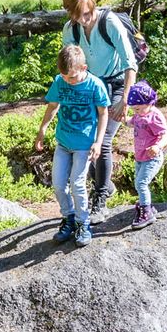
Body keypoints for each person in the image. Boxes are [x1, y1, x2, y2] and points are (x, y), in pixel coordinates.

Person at [59, 0, 139, 222]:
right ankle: (107, 184)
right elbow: (69, 66)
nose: (82, 20)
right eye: (76, 16)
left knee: (102, 140)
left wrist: (125, 100)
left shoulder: (110, 23)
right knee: (86, 141)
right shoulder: (70, 30)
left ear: (91, 5)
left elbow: (130, 63)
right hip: (90, 88)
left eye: (84, 14)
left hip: (115, 87)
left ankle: (100, 199)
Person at [31, 44, 112, 245]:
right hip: (63, 143)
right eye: (65, 77)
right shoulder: (60, 82)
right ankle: (68, 218)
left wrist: (98, 142)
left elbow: (103, 114)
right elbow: (52, 106)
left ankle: (83, 224)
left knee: (77, 184)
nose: (68, 81)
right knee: (58, 185)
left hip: (84, 145)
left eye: (72, 77)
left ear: (84, 68)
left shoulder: (95, 86)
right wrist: (42, 129)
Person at [124, 81, 167, 230]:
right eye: (134, 109)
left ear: (149, 102)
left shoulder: (154, 116)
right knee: (138, 182)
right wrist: (123, 119)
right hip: (140, 157)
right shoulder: (139, 114)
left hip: (152, 158)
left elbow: (165, 135)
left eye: (138, 108)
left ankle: (146, 212)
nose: (136, 112)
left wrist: (158, 146)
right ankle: (148, 206)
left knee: (141, 183)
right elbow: (132, 122)